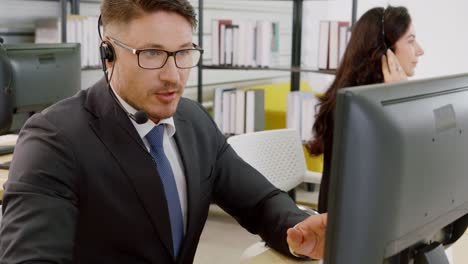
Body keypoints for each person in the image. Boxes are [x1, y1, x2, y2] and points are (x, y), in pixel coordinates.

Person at [0, 0, 327, 263]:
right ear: (108, 54)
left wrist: (301, 232)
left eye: (184, 52)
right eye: (152, 54)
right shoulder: (53, 139)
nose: (173, 76)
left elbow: (260, 203)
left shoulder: (194, 121)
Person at [306, 5, 425, 213]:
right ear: (384, 51)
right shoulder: (358, 110)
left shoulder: (361, 99)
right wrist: (398, 101)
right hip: (354, 227)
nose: (420, 50)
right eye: (411, 40)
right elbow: (398, 170)